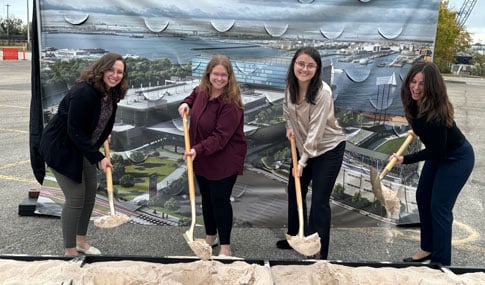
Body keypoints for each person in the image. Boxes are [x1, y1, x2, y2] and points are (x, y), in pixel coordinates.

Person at [39, 53, 129, 256]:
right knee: (76, 198)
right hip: (62, 148)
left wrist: (102, 139)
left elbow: (99, 123)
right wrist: (98, 157)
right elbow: (74, 131)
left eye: (119, 72)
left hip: (84, 148)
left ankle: (81, 241)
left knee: (89, 196)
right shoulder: (84, 93)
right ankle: (70, 250)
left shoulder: (111, 94)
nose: (115, 75)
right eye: (111, 70)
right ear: (101, 69)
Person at [391, 60, 474, 266]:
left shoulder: (436, 113)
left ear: (432, 88)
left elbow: (436, 150)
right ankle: (427, 248)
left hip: (456, 158)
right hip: (440, 154)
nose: (416, 88)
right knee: (422, 196)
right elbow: (428, 133)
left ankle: (441, 262)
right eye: (414, 81)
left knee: (439, 207)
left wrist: (405, 159)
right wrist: (417, 130)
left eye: (422, 85)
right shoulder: (414, 102)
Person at [276, 47, 346, 259]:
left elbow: (316, 132)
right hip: (302, 146)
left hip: (328, 148)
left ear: (317, 69)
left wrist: (303, 161)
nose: (304, 69)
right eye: (300, 63)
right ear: (294, 64)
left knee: (319, 201)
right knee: (294, 189)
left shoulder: (322, 92)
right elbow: (287, 111)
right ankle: (297, 236)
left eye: (310, 65)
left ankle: (319, 251)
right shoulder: (290, 87)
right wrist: (290, 126)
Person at [178, 54, 247, 257]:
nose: (219, 78)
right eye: (215, 74)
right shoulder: (202, 91)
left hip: (224, 159)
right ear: (208, 75)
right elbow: (193, 94)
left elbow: (220, 137)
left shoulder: (230, 104)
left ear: (229, 77)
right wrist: (186, 103)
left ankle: (225, 246)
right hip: (201, 156)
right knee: (207, 199)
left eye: (223, 75)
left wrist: (197, 150)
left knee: (220, 200)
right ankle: (210, 237)